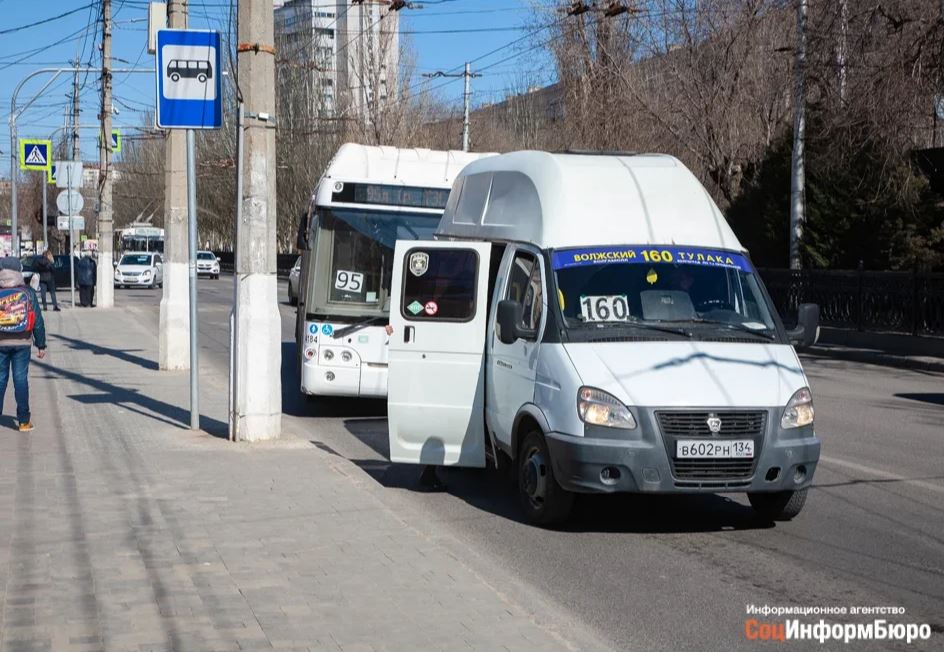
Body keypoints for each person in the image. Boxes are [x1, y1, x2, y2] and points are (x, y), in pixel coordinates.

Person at [0, 268, 47, 431]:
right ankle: (24, 422)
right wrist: (41, 345)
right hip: (23, 343)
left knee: (0, 380)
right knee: (20, 381)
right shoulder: (28, 292)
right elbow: (38, 321)